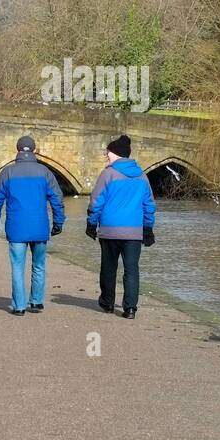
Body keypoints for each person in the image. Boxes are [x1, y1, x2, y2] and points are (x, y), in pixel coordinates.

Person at [0, 135, 66, 316]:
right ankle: (37, 301)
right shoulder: (45, 172)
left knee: (17, 266)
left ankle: (19, 306)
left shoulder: (7, 173)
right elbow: (57, 198)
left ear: (17, 150)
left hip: (17, 228)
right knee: (39, 265)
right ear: (34, 150)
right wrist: (58, 222)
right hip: (39, 227)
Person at [85, 134, 156, 318]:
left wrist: (92, 224)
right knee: (131, 270)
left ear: (115, 154)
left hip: (110, 230)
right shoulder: (142, 176)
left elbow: (96, 201)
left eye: (108, 152)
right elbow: (149, 204)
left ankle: (108, 303)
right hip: (133, 232)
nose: (106, 156)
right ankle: (130, 308)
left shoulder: (108, 174)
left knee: (108, 268)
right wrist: (147, 228)